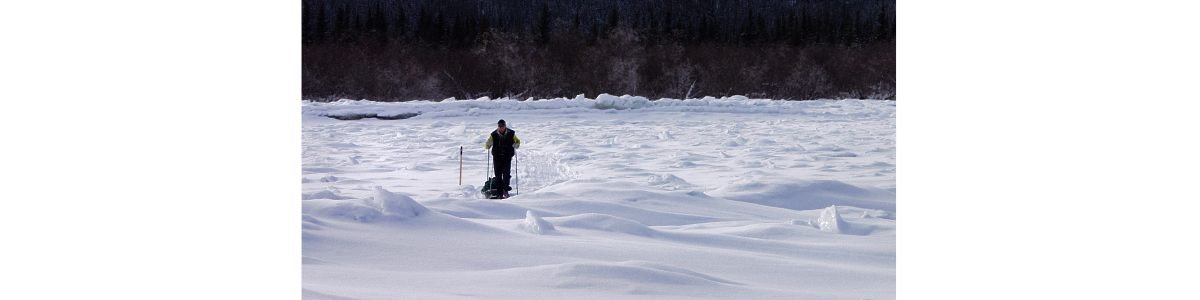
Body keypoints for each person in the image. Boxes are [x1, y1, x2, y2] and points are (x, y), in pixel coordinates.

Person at [485, 119, 520, 196]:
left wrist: (516, 144)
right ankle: (499, 193)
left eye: (503, 126)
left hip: (507, 157)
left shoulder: (511, 133)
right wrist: (488, 144)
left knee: (506, 174)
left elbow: (517, 141)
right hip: (497, 157)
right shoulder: (493, 134)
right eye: (500, 127)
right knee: (498, 175)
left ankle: (505, 189)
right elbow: (487, 145)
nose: (501, 128)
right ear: (498, 127)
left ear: (505, 126)